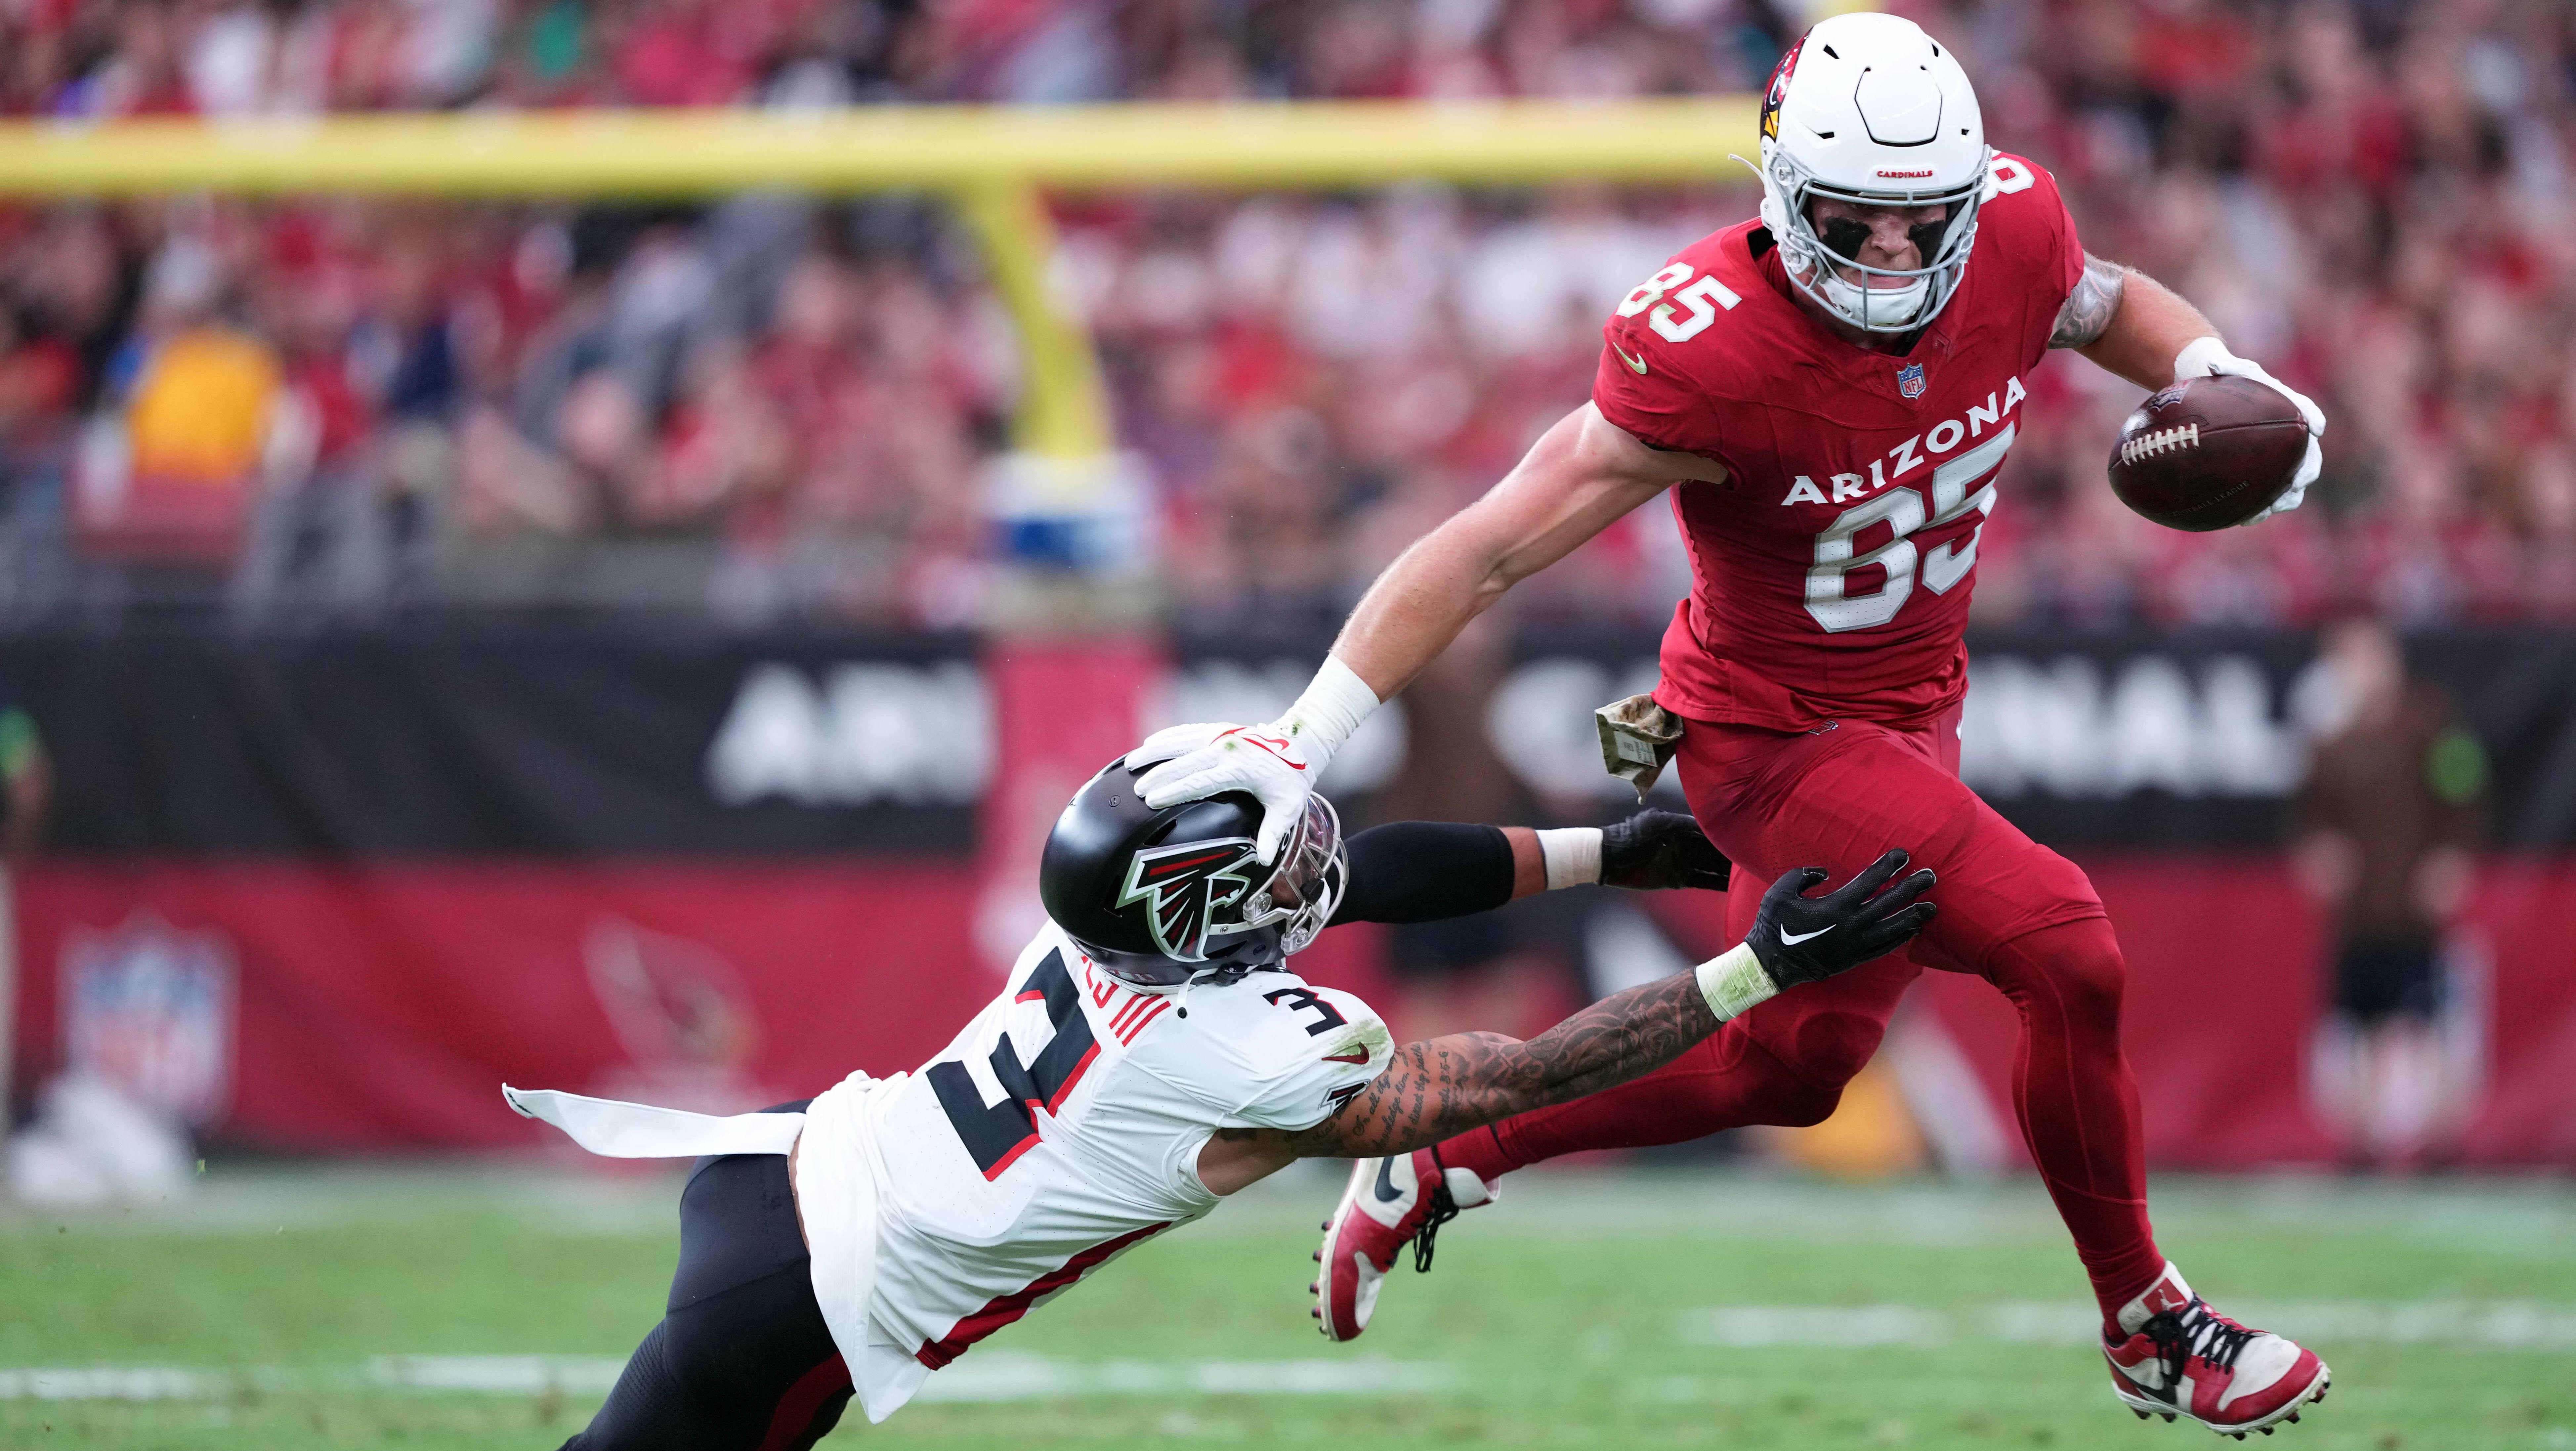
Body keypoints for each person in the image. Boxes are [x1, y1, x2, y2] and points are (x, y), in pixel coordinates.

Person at [1128, 12, 2332, 1438]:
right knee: (2067, 946)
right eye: (1855, 223)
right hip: (1765, 738)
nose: (1893, 257)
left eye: (1918, 224)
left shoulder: (2010, 228)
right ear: (1782, 193)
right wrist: (1301, 733)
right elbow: (1494, 544)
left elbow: (2108, 301)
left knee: (1794, 1065)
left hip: (1910, 716)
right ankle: (2149, 1318)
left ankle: (1446, 1147)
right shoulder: (1707, 345)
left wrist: (2222, 374)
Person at [507, 741, 1934, 1447]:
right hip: (819, 1295)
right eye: (1271, 871)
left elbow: (1363, 871)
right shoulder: (1248, 1053)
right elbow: (1522, 1072)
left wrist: (1607, 847)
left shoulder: (1100, 920)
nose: (1314, 869)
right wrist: (1753, 968)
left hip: (781, 1168)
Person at [2292, 618, 2486, 1168]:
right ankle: (2362, 1141)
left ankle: (2439, 1137)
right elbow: (2310, 819)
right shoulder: (2329, 743)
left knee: (2425, 1017)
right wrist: (2319, 854)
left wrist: (2451, 856)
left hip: (2412, 903)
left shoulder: (2429, 725)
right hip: (2358, 909)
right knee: (2355, 1019)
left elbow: (2463, 787)